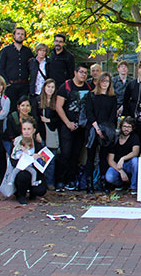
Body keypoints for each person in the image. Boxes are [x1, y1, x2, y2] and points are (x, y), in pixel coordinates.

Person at [55, 64, 93, 192]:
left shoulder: (88, 87)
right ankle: (60, 180)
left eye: (85, 73)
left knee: (76, 154)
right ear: (75, 72)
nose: (83, 75)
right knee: (65, 152)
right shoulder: (66, 86)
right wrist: (67, 123)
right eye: (81, 72)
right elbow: (58, 106)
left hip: (81, 126)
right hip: (67, 126)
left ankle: (71, 180)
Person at [84, 73, 118, 193]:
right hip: (93, 129)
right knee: (91, 157)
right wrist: (97, 128)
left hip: (106, 130)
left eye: (107, 81)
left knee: (104, 157)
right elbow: (89, 112)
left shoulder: (112, 97)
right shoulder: (91, 95)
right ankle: (89, 184)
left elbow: (113, 115)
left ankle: (103, 183)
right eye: (103, 81)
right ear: (99, 82)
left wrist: (105, 130)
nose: (105, 83)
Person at [9, 117, 47, 205]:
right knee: (23, 175)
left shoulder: (37, 144)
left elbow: (43, 163)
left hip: (33, 170)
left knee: (41, 190)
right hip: (20, 170)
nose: (26, 131)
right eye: (24, 129)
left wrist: (37, 158)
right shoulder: (17, 143)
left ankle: (32, 191)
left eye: (29, 129)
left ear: (33, 130)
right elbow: (13, 160)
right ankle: (20, 195)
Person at [0, 27, 34, 113]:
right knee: (11, 110)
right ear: (14, 36)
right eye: (18, 34)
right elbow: (1, 69)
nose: (20, 36)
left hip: (24, 85)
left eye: (22, 34)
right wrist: (7, 83)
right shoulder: (6, 51)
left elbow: (32, 68)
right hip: (11, 85)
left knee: (24, 109)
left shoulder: (28, 51)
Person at [105, 117, 141, 194]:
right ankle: (120, 184)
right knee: (109, 177)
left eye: (129, 127)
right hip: (118, 166)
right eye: (124, 126)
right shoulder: (115, 138)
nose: (126, 129)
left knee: (136, 161)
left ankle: (133, 187)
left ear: (132, 128)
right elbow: (110, 160)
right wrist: (121, 172)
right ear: (121, 127)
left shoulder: (134, 137)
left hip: (129, 164)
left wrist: (123, 158)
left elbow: (135, 152)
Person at [36, 78, 60, 186]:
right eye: (48, 87)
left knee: (52, 160)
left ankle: (50, 183)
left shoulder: (57, 102)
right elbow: (35, 118)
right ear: (44, 87)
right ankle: (42, 182)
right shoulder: (37, 100)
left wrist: (49, 120)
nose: (50, 89)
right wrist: (37, 133)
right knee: (42, 160)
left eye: (52, 87)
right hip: (41, 133)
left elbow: (59, 118)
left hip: (52, 133)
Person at [5, 96, 41, 163]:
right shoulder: (12, 117)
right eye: (22, 105)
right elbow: (11, 135)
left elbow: (36, 133)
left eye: (27, 106)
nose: (25, 108)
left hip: (29, 140)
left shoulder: (34, 118)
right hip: (13, 140)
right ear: (18, 107)